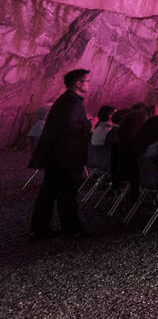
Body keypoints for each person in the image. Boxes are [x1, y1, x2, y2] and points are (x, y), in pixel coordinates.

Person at [29, 69, 92, 239]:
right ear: (78, 83)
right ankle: (72, 229)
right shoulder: (72, 102)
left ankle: (40, 228)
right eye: (86, 81)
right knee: (67, 194)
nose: (89, 84)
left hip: (57, 156)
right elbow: (70, 127)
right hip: (67, 157)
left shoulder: (65, 101)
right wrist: (87, 126)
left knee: (49, 193)